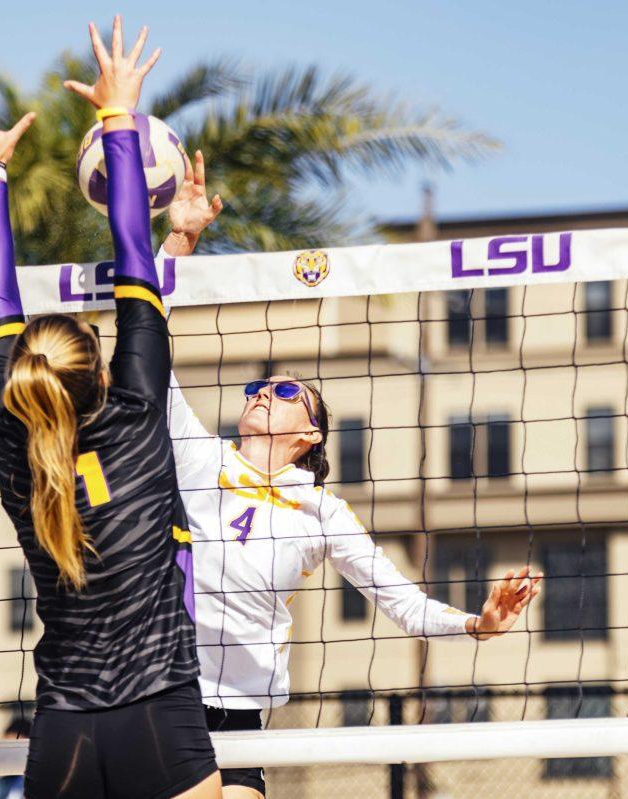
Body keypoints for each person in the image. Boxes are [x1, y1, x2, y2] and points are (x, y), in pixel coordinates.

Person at [158, 165, 543, 799]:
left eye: (285, 393)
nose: (261, 395)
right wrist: (180, 243)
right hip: (166, 691)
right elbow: (149, 337)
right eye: (259, 388)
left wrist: (479, 624)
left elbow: (402, 603)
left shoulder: (321, 511)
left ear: (308, 434)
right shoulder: (202, 458)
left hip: (241, 712)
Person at [0, 16, 220, 799]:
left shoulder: (13, 442)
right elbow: (134, 253)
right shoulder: (137, 414)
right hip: (156, 711)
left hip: (63, 726)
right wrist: (119, 115)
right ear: (101, 369)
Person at [0, 717, 31, 799]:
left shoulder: (45, 781)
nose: (9, 755)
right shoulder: (3, 783)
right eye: (6, 749)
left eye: (14, 748)